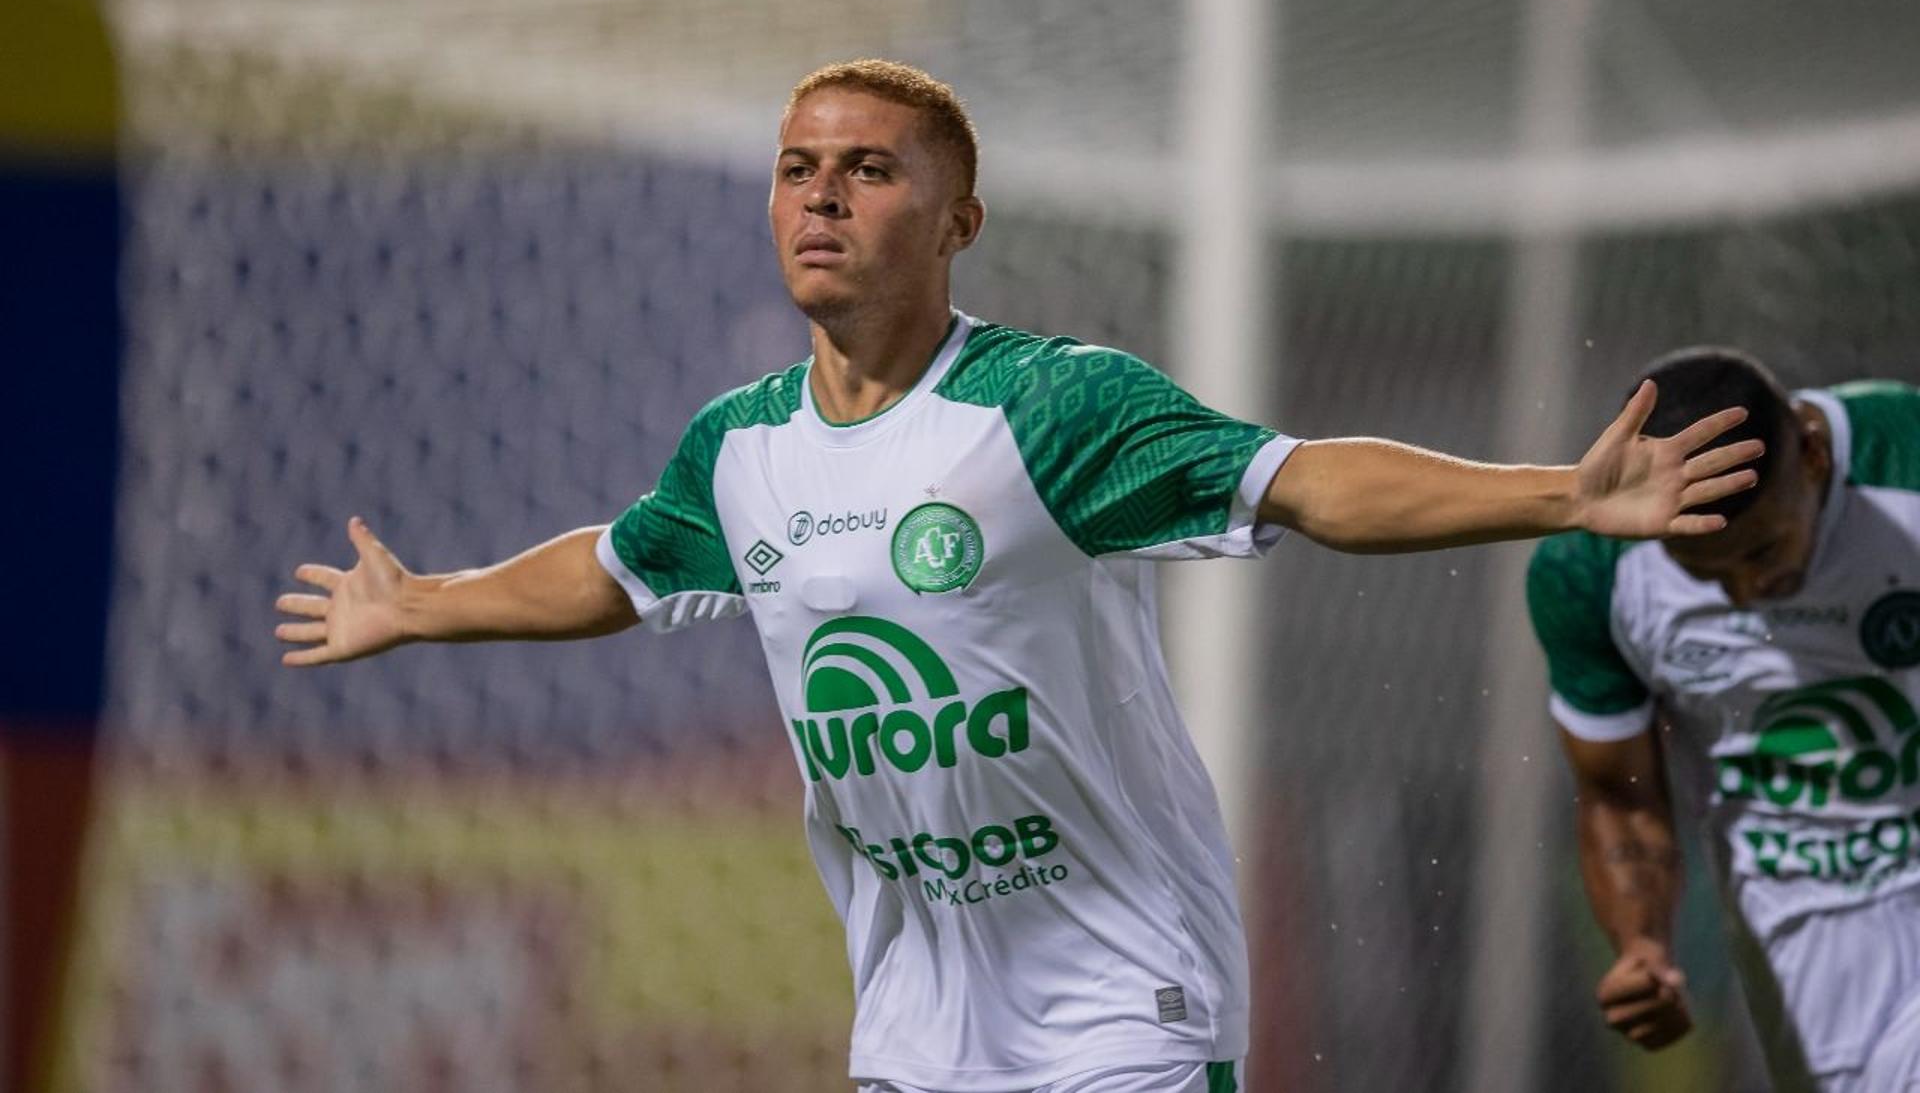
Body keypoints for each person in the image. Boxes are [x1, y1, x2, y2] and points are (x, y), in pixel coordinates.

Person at [277, 59, 1758, 1093]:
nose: (823, 197)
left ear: (960, 220)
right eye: (798, 169)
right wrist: (423, 604)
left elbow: (1307, 481)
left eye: (869, 170)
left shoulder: (1053, 406)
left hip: (1125, 1001)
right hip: (918, 1022)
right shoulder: (737, 449)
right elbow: (616, 570)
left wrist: (1561, 493)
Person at [1529, 348, 1920, 1092]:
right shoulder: (1591, 570)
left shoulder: (1905, 462)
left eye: (1766, 549)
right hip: (1801, 932)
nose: (1748, 594)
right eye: (1705, 570)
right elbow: (1621, 793)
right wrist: (1643, 945)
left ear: (1812, 450)